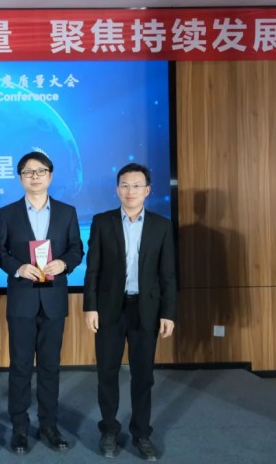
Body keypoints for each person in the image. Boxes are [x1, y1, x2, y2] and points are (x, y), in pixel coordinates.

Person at [83, 163, 177, 462]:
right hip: (109, 309)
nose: (130, 191)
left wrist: (168, 313)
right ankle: (109, 430)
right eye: (124, 185)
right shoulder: (102, 222)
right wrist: (90, 307)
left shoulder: (161, 226)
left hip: (146, 309)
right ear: (117, 189)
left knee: (143, 375)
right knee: (107, 373)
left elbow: (168, 274)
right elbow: (93, 269)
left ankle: (141, 433)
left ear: (147, 190)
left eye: (137, 185)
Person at [0, 151, 84, 455]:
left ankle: (49, 425)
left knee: (50, 366)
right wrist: (18, 268)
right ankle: (19, 427)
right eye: (28, 172)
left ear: (50, 175)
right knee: (20, 366)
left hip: (54, 300)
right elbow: (0, 252)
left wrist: (64, 264)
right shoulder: (7, 213)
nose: (35, 176)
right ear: (20, 177)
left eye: (40, 171)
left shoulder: (67, 212)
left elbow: (77, 249)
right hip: (22, 299)